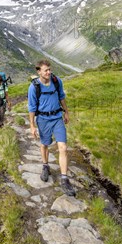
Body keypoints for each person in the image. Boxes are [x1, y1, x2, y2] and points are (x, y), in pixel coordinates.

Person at [27, 60, 76, 196]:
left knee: (63, 148)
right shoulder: (34, 87)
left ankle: (64, 179)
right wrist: (32, 126)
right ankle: (45, 165)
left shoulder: (56, 81)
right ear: (39, 72)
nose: (48, 72)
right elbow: (31, 108)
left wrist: (66, 112)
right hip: (43, 120)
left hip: (57, 118)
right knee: (45, 145)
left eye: (49, 69)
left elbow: (61, 97)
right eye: (45, 70)